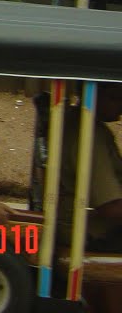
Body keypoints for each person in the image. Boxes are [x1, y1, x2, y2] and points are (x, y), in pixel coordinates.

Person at [59, 83, 122, 252]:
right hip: (89, 233)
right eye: (115, 97)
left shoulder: (78, 120)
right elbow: (110, 207)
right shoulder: (89, 134)